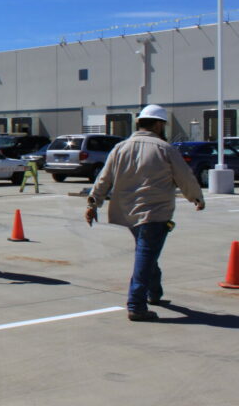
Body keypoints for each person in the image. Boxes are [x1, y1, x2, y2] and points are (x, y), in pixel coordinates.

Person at [86, 104, 205, 321]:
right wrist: (196, 197)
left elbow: (104, 177)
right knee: (146, 254)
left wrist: (93, 203)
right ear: (159, 124)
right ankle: (136, 305)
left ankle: (154, 292)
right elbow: (185, 176)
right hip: (155, 212)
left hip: (128, 212)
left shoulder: (120, 147)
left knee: (147, 252)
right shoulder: (164, 148)